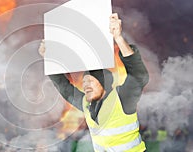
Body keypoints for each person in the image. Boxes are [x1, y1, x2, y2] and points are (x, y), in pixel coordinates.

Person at [38, 13, 149, 152]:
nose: (85, 85)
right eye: (84, 82)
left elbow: (139, 75)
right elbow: (65, 88)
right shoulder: (86, 104)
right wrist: (49, 59)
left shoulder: (122, 98)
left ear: (104, 84)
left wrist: (119, 38)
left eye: (90, 80)